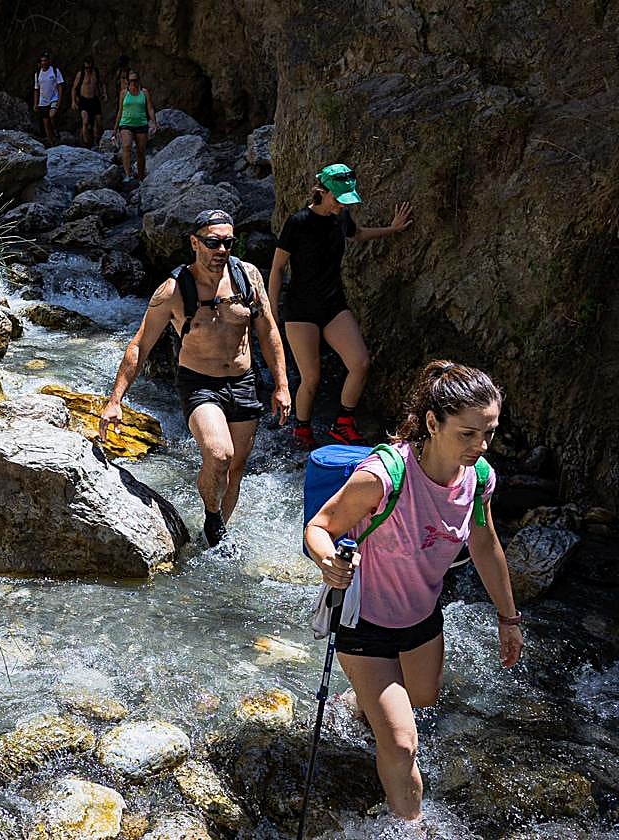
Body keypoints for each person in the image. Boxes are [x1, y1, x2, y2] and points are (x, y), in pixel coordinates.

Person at [304, 360, 521, 821]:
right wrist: (327, 562)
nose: (480, 446)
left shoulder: (478, 479)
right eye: (467, 434)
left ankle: (362, 702)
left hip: (421, 619)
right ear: (431, 423)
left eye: (488, 433)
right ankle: (410, 829)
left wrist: (509, 617)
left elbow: (484, 543)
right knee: (402, 744)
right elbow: (320, 527)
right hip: (362, 621)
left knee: (422, 699)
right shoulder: (382, 475)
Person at [100, 210, 291, 547]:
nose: (221, 250)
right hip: (199, 383)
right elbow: (141, 344)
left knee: (236, 468)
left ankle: (214, 537)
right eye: (213, 242)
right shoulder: (172, 290)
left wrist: (282, 385)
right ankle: (213, 515)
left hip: (244, 381)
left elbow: (268, 331)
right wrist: (116, 400)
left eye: (228, 243)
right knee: (219, 454)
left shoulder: (248, 277)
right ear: (195, 243)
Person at [268, 164, 413, 448]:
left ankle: (343, 425)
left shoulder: (341, 217)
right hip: (300, 311)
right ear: (322, 192)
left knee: (360, 363)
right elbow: (277, 268)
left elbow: (357, 234)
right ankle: (302, 432)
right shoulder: (297, 223)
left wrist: (392, 229)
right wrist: (272, 313)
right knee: (311, 378)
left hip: (333, 305)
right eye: (338, 198)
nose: (341, 205)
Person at [113, 70, 157, 181]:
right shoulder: (123, 93)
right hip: (126, 123)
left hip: (141, 123)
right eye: (131, 80)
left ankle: (141, 176)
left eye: (135, 80)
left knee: (141, 151)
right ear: (128, 81)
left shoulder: (144, 92)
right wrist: (115, 128)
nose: (133, 82)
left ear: (139, 80)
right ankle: (128, 175)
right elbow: (120, 110)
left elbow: (150, 108)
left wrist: (154, 122)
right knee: (126, 146)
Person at [71, 56, 104, 147]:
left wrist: (103, 94)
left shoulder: (95, 73)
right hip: (84, 100)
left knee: (99, 121)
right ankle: (86, 143)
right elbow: (74, 88)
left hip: (94, 100)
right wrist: (73, 101)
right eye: (86, 67)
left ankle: (98, 140)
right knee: (85, 121)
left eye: (90, 67)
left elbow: (100, 84)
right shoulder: (80, 74)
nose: (88, 69)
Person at [32, 53, 64, 146]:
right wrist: (35, 103)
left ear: (49, 61)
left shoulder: (54, 71)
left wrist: (59, 100)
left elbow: (60, 86)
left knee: (52, 115)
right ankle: (51, 142)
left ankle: (56, 131)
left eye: (45, 60)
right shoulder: (38, 74)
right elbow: (36, 89)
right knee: (45, 123)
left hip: (54, 98)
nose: (44, 62)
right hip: (43, 101)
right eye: (42, 61)